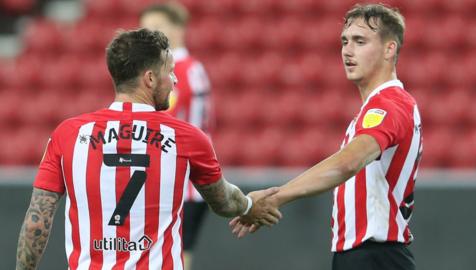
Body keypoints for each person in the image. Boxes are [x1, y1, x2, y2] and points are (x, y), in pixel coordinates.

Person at [16, 29, 280, 270]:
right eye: (170, 71)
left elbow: (37, 220)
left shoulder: (68, 135)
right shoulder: (187, 137)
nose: (175, 80)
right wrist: (248, 206)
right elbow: (224, 202)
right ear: (151, 78)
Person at [231, 4, 423, 270]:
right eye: (345, 41)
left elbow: (347, 162)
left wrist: (276, 197)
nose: (348, 50)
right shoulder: (377, 108)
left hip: (375, 256)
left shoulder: (389, 105)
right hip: (365, 255)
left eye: (360, 41)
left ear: (389, 49)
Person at [139, 4, 213, 270]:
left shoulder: (177, 71)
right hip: (188, 180)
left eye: (156, 27)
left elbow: (163, 121)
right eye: (144, 29)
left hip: (182, 181)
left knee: (172, 255)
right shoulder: (193, 67)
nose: (149, 35)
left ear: (178, 29)